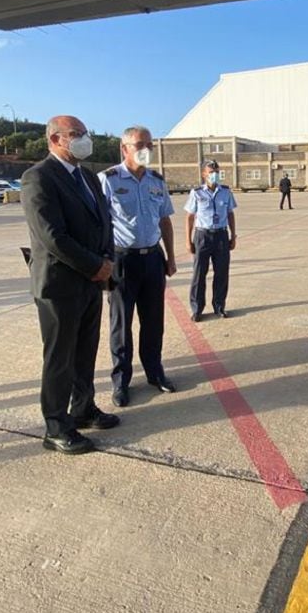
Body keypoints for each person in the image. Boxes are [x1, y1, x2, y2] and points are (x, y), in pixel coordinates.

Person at [21, 115, 120, 455]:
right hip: (59, 284)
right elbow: (52, 237)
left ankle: (83, 408)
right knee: (59, 357)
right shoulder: (38, 178)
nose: (83, 140)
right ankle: (56, 426)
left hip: (91, 281)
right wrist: (95, 265)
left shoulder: (88, 177)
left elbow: (104, 222)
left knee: (84, 351)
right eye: (75, 134)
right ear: (55, 140)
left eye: (85, 134)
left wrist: (106, 261)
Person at [99, 125, 178, 408]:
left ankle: (155, 373)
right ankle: (121, 382)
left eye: (150, 145)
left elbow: (165, 220)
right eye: (139, 144)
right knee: (121, 325)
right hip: (122, 260)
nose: (146, 150)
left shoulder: (157, 181)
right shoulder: (107, 180)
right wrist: (103, 260)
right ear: (125, 149)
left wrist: (170, 257)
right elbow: (99, 223)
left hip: (153, 259)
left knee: (153, 321)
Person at [185, 159, 238, 321]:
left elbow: (230, 214)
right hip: (202, 236)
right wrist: (188, 241)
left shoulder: (226, 192)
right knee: (199, 274)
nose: (214, 175)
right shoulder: (196, 193)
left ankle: (219, 306)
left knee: (221, 273)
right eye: (211, 172)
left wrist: (233, 235)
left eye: (216, 172)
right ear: (203, 174)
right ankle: (197, 309)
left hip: (221, 235)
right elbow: (190, 217)